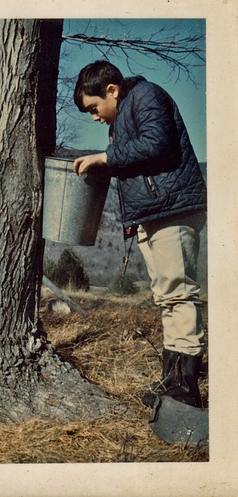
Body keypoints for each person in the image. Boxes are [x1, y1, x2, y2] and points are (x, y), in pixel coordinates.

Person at [72, 60, 207, 409]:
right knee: (166, 297)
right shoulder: (123, 116)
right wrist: (133, 219)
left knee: (178, 294)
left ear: (112, 91)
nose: (94, 117)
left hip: (173, 211)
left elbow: (157, 144)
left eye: (94, 107)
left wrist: (105, 157)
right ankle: (173, 380)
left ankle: (187, 387)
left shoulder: (147, 95)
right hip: (155, 215)